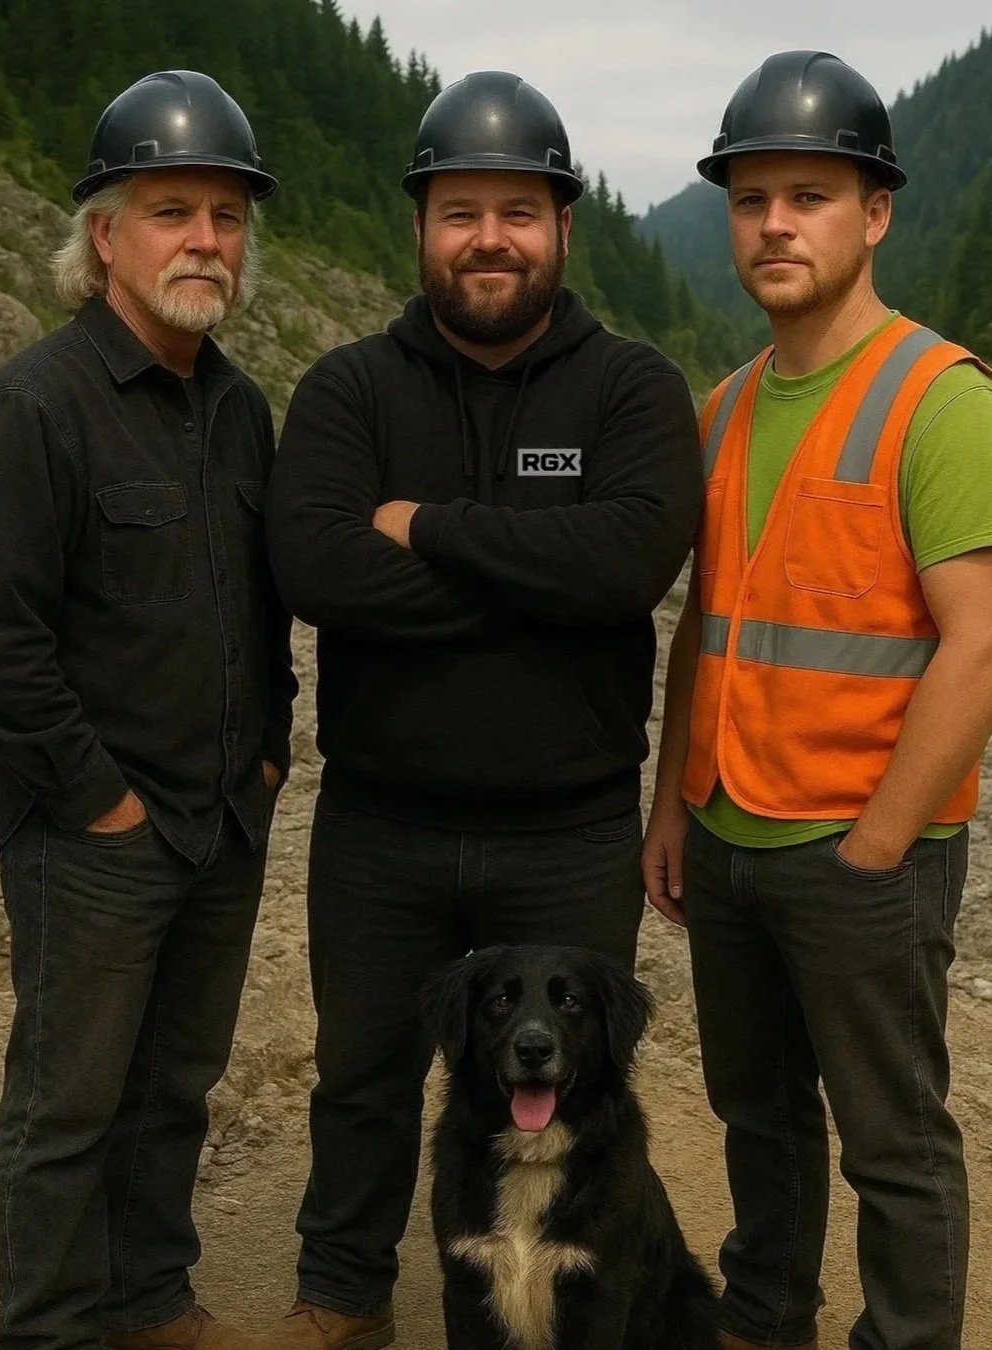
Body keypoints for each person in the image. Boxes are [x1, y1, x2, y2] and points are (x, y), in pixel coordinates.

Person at [265, 69, 703, 1350]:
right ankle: (341, 1298)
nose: (489, 238)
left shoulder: (629, 388)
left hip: (564, 830)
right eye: (460, 212)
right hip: (377, 826)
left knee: (585, 1080)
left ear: (563, 226)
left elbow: (626, 565)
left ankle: (583, 1297)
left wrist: (430, 533)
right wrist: (534, 572)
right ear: (419, 229)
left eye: (518, 210)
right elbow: (315, 568)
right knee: (358, 1080)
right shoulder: (349, 390)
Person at [644, 49, 992, 1350]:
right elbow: (705, 633)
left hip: (862, 846)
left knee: (894, 1142)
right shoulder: (723, 409)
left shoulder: (939, 398)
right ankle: (764, 1314)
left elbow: (979, 645)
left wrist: (876, 851)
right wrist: (671, 803)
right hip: (727, 833)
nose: (776, 222)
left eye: (810, 194)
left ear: (876, 211)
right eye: (751, 199)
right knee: (760, 1114)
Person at [0, 70, 296, 1350]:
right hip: (98, 838)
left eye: (225, 218)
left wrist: (270, 754)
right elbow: (0, 640)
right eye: (172, 211)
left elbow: (263, 609)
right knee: (68, 1105)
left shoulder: (238, 407)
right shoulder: (35, 406)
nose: (205, 243)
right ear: (104, 233)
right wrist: (100, 801)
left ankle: (151, 1297)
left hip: (222, 822)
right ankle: (52, 1327)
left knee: (176, 1087)